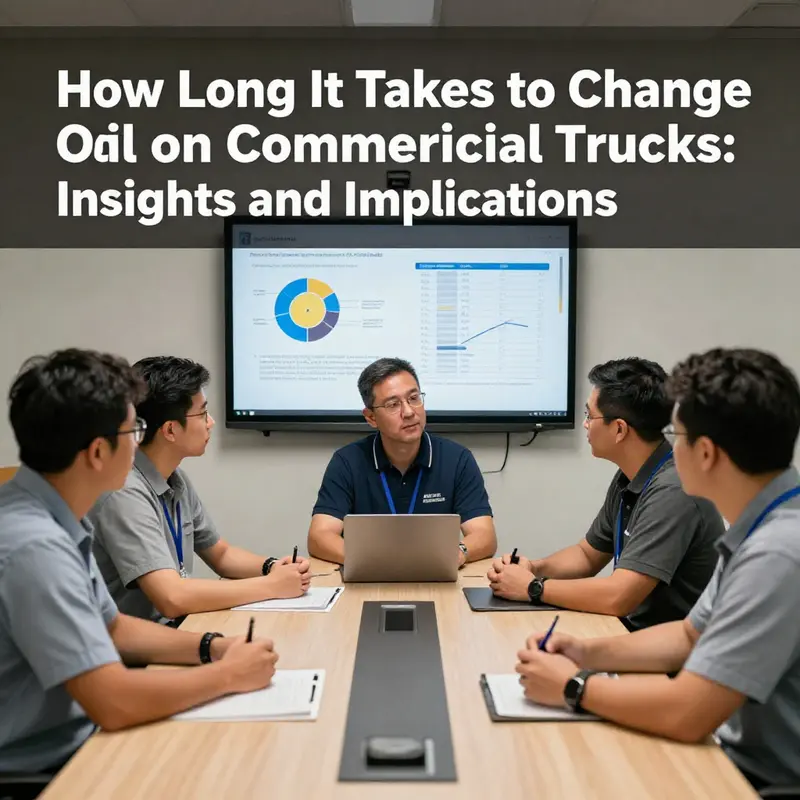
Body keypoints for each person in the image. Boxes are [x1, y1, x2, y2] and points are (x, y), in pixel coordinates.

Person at [515, 347, 800, 792]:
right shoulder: (761, 527)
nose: (668, 445)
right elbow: (690, 635)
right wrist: (586, 654)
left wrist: (574, 689)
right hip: (729, 751)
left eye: (676, 433)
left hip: (759, 781)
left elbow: (689, 712)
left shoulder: (779, 553)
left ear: (705, 453)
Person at [0, 349, 279, 776]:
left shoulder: (54, 516)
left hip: (79, 735)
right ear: (97, 452)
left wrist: (213, 647)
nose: (139, 442)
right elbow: (112, 701)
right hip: (47, 768)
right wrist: (228, 675)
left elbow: (114, 628)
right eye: (135, 429)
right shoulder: (33, 546)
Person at [488, 357, 723, 630]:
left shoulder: (674, 490)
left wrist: (533, 588)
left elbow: (619, 597)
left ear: (620, 429)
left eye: (590, 415)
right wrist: (533, 568)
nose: (585, 424)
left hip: (673, 657)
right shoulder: (632, 475)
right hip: (631, 633)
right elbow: (587, 555)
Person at [89, 356, 309, 624]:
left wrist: (273, 568)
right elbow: (172, 598)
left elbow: (221, 555)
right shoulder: (124, 492)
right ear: (170, 430)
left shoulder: (174, 478)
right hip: (138, 652)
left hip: (174, 628)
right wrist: (273, 586)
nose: (211, 422)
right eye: (202, 413)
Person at [307, 357, 497, 566]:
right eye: (393, 404)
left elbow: (484, 534)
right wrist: (377, 561)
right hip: (369, 575)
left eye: (414, 398)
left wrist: (459, 552)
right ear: (371, 417)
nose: (408, 412)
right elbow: (319, 536)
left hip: (437, 573)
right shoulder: (347, 462)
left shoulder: (458, 459)